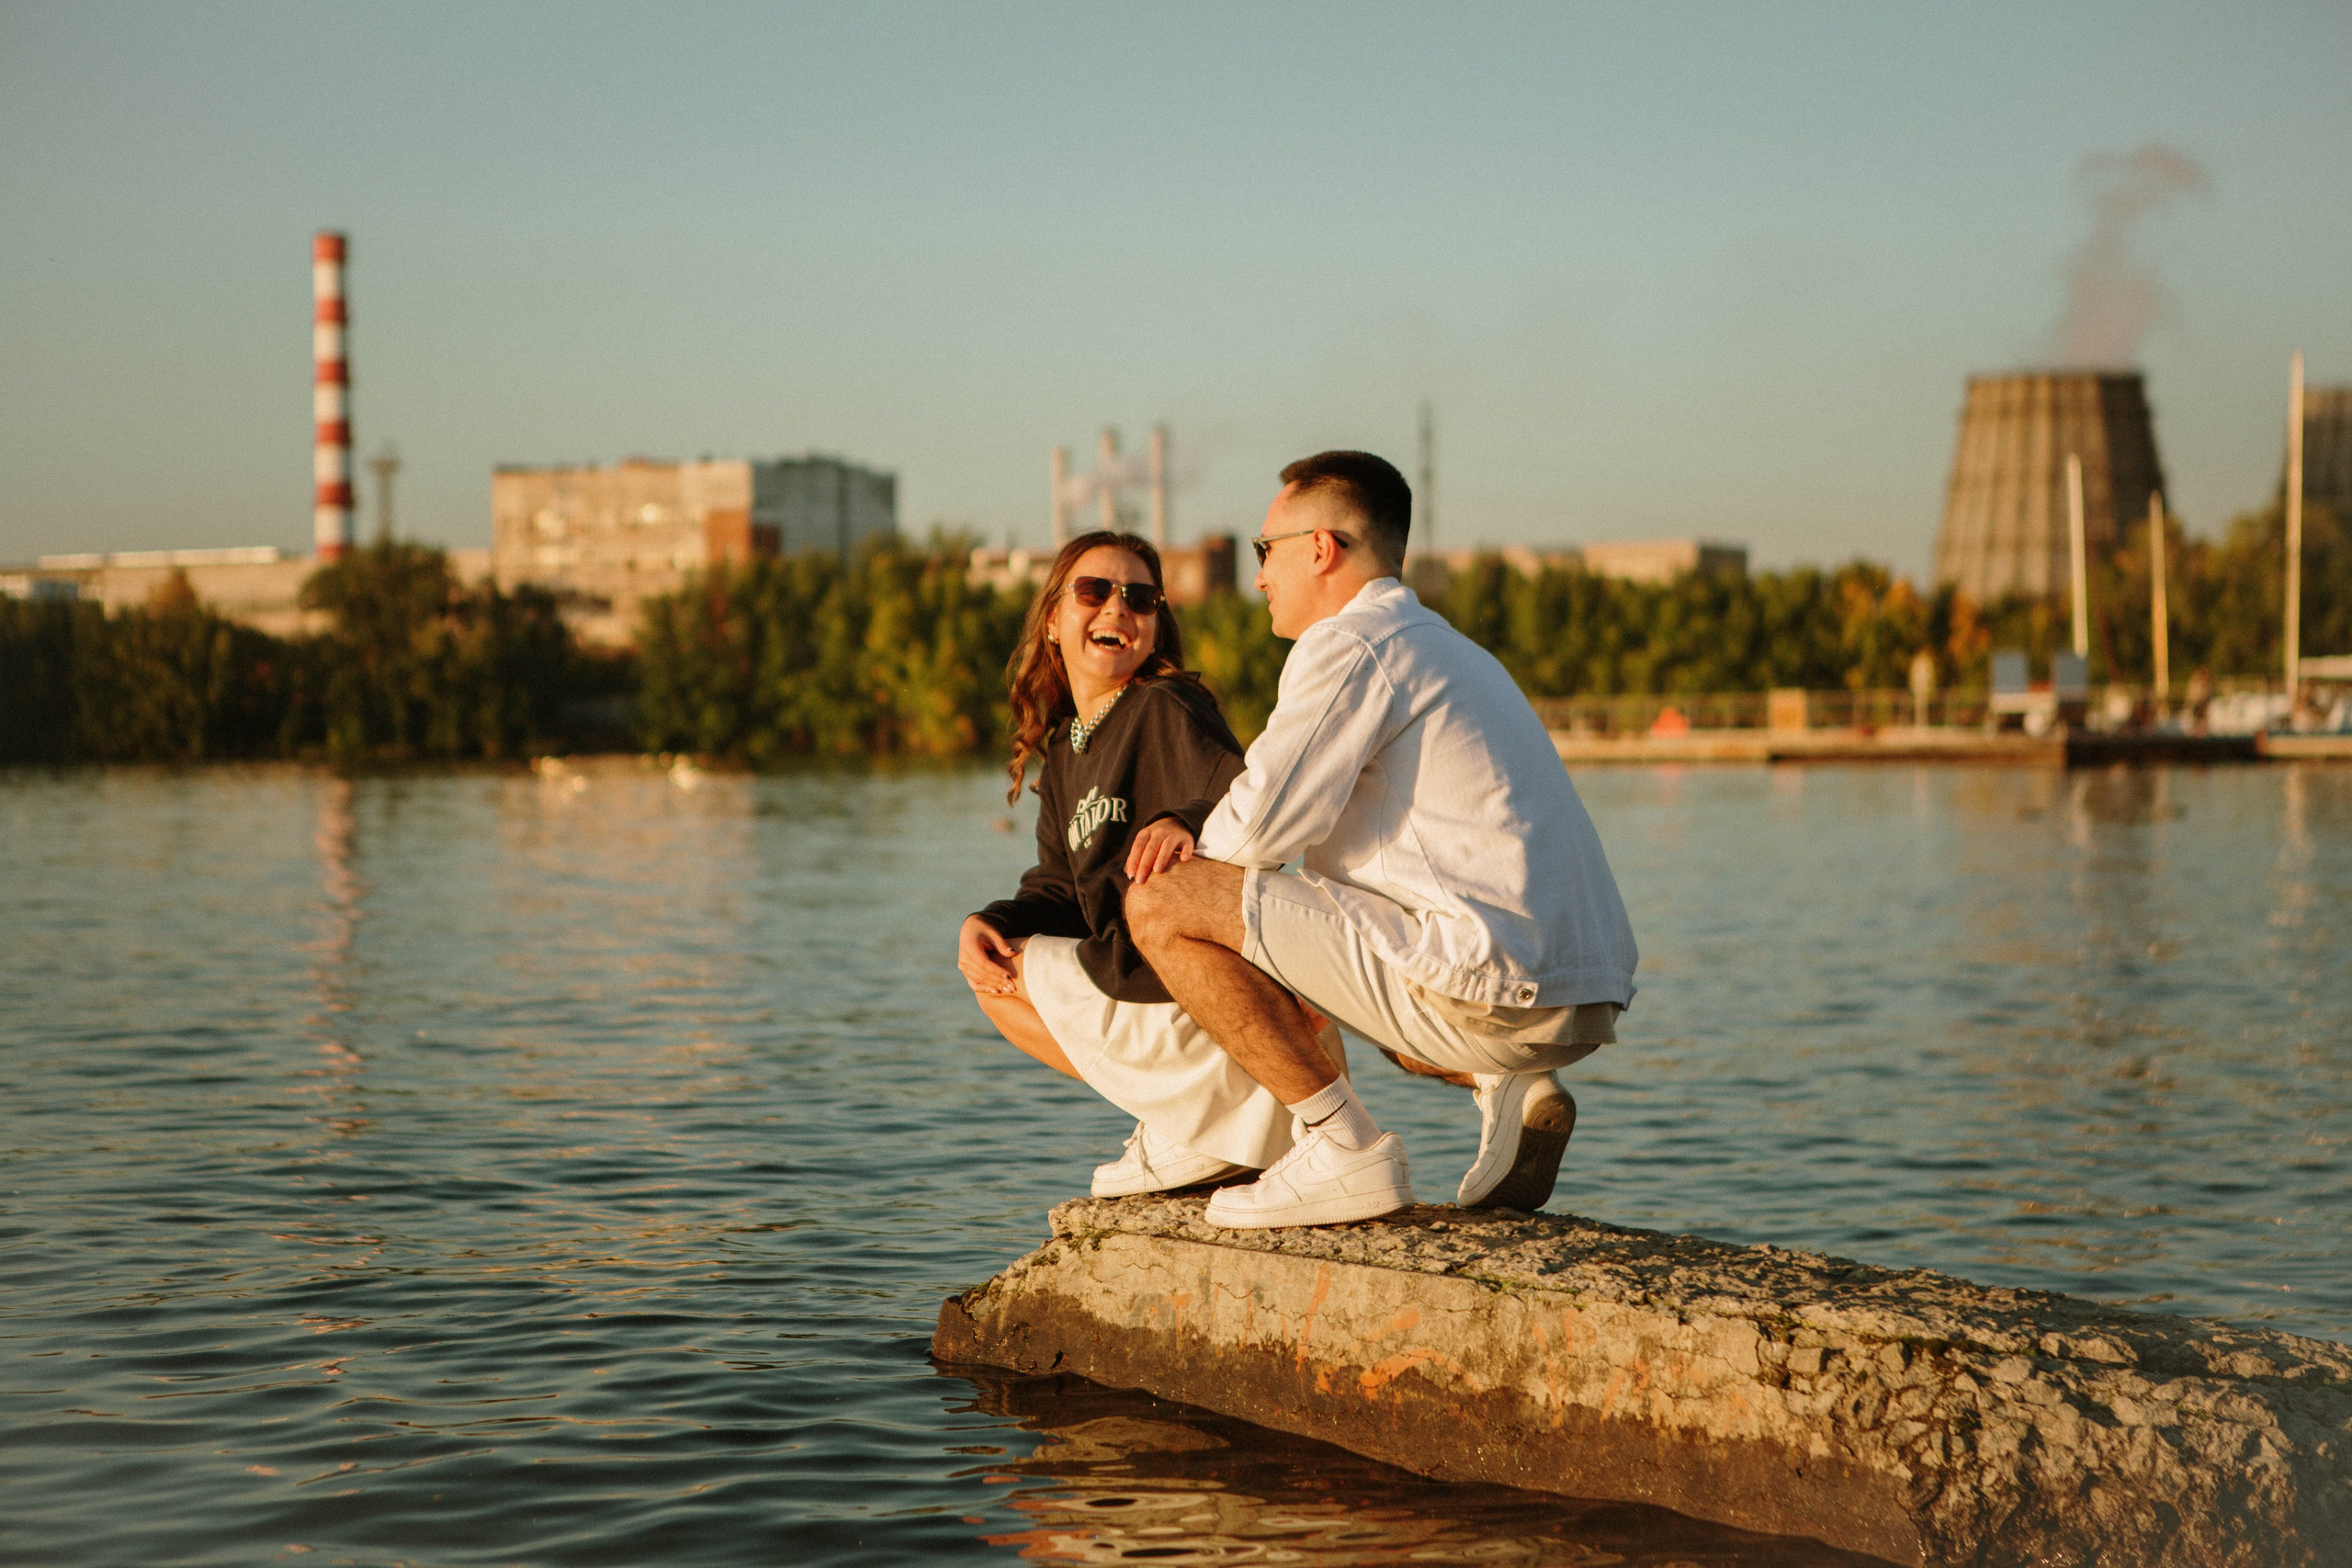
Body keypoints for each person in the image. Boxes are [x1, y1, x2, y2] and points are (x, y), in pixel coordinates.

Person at [1124, 451, 1639, 1229]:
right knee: (1331, 934)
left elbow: (1254, 830)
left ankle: (1341, 1146)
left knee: (1163, 901)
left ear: (1322, 548)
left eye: (1267, 552)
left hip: (1491, 981)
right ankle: (1504, 1084)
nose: (1259, 575)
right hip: (1580, 989)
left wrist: (1181, 840)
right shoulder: (1452, 648)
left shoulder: (1350, 644)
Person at [956, 530, 1343, 1197]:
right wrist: (986, 919)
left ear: (1157, 623)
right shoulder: (1067, 753)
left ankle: (1195, 1121)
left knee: (1011, 976)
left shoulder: (1166, 704)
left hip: (1198, 982)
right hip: (1132, 973)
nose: (1117, 609)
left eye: (1139, 597)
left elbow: (1247, 788)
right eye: (1093, 591)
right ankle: (1184, 1120)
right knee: (990, 971)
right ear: (1053, 618)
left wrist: (1183, 818)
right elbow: (1059, 889)